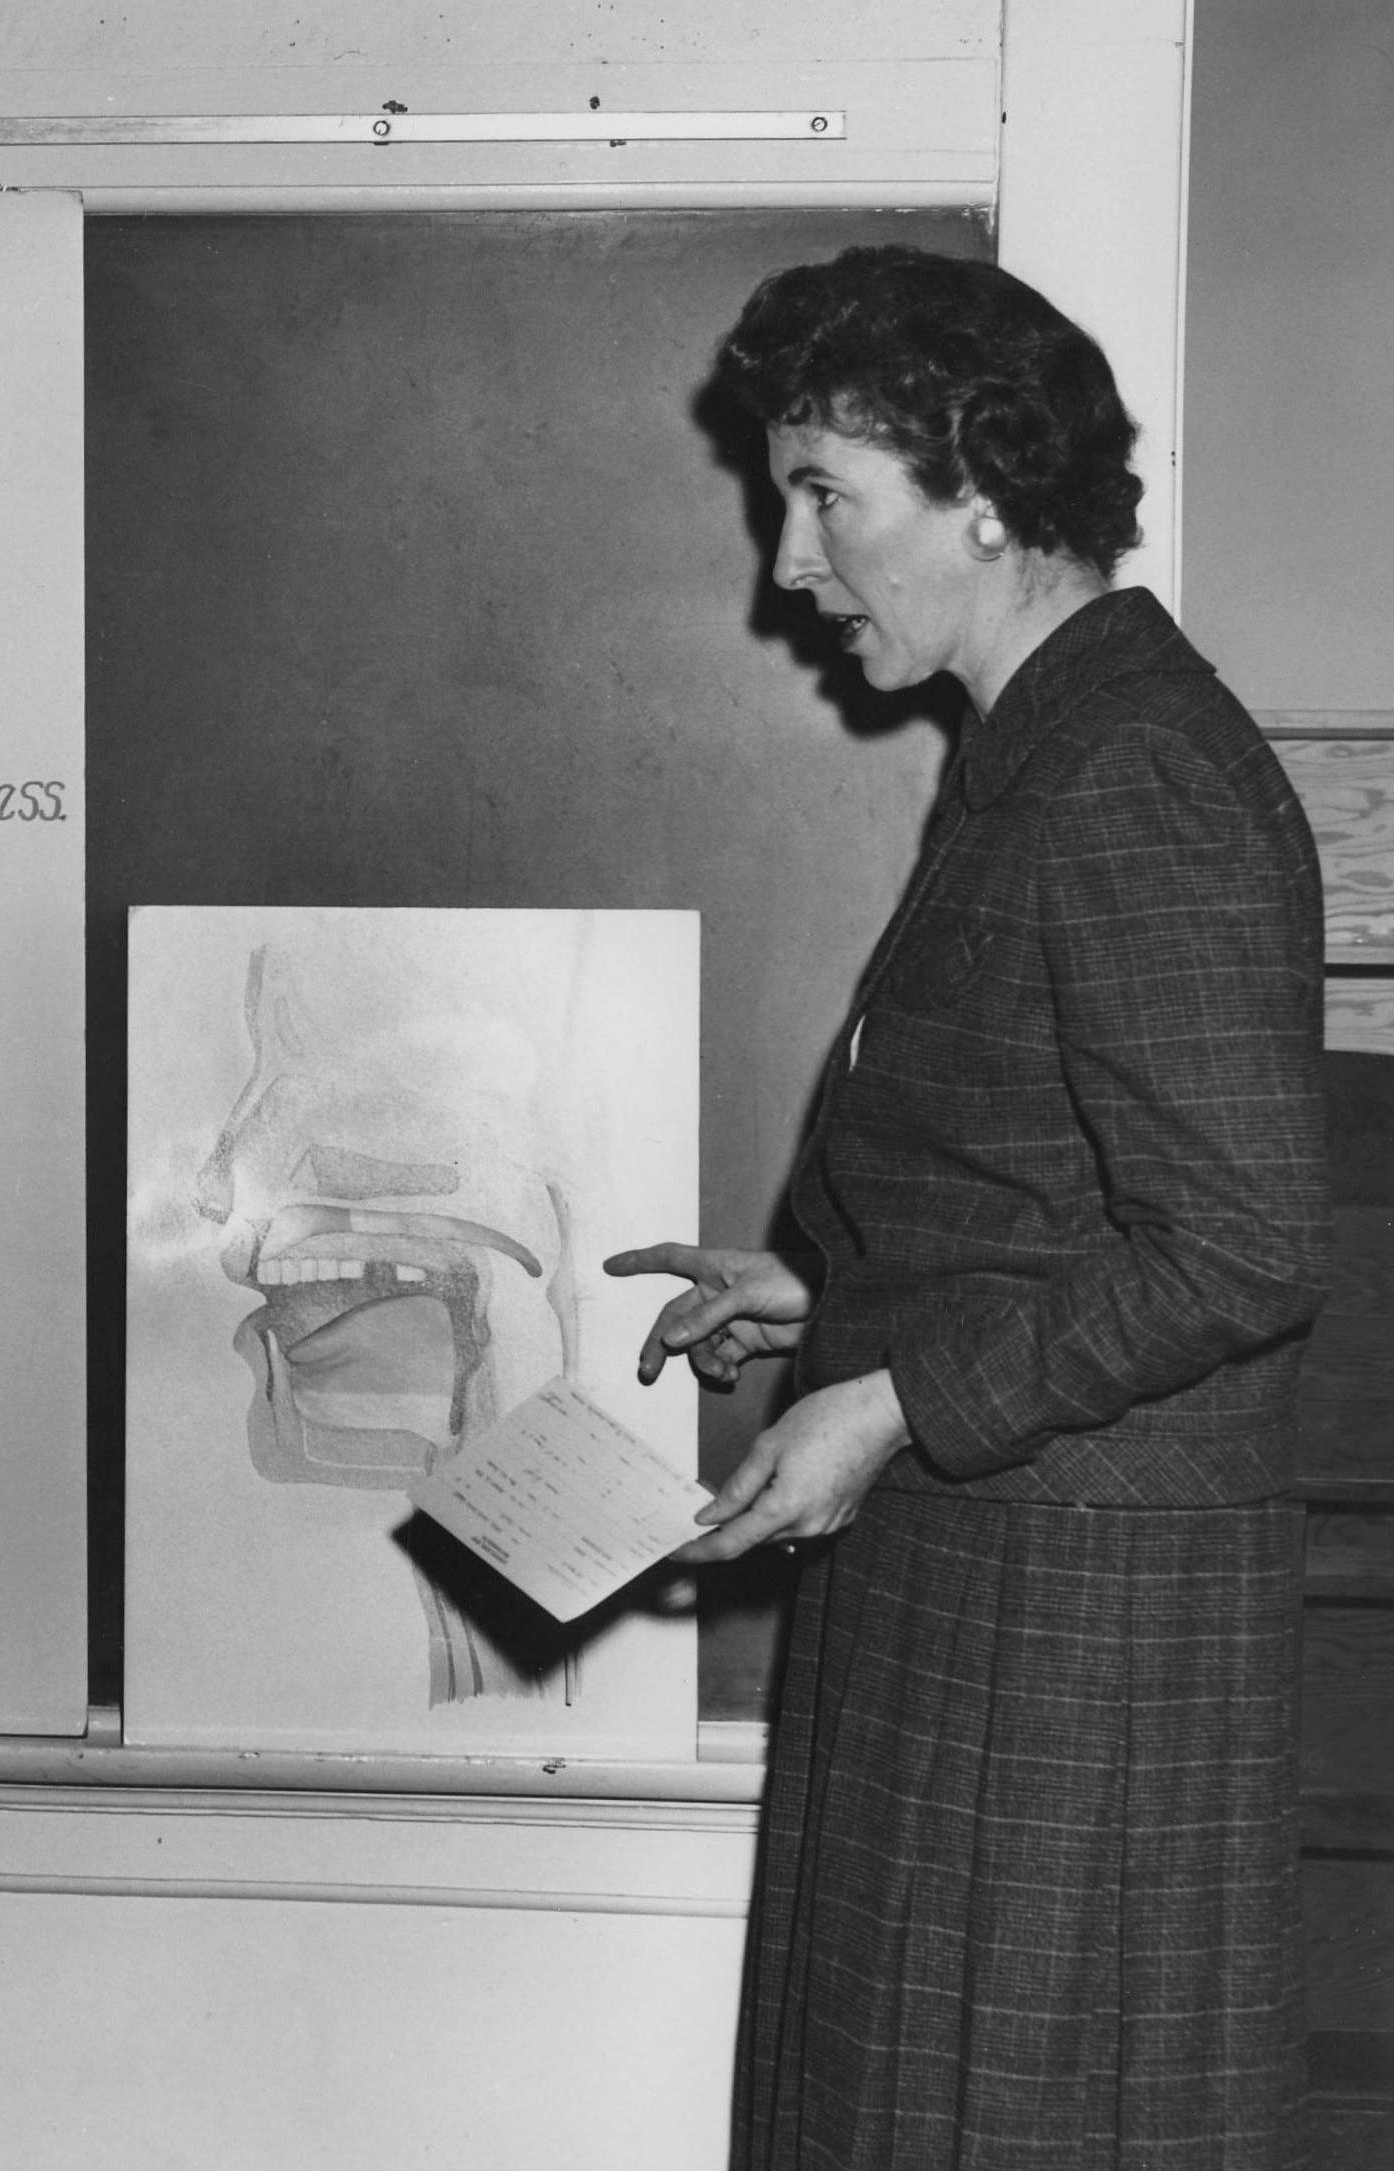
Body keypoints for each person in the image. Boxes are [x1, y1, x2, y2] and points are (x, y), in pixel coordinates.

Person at [609, 247, 1329, 2166]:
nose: (789, 562)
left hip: (1066, 1608)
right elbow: (1064, 1185)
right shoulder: (1045, 751)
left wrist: (895, 1398)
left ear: (987, 496)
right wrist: (831, 1295)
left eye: (825, 496)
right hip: (992, 1567)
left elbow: (1244, 1244)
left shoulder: (1130, 771)